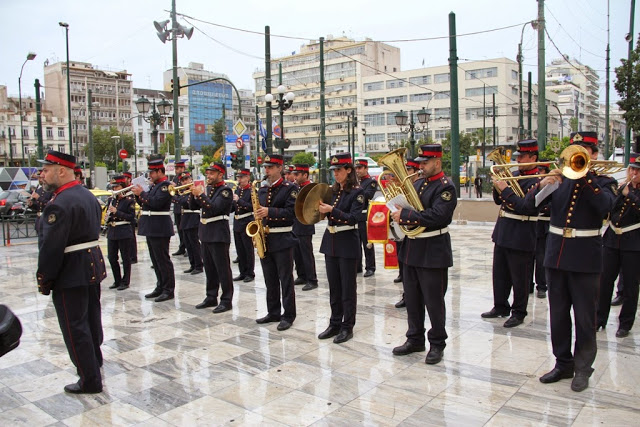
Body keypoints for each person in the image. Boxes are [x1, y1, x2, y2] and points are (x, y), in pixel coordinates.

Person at [533, 132, 616, 392]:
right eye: (576, 152)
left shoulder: (605, 181)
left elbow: (605, 206)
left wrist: (587, 176)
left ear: (594, 153)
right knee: (558, 315)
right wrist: (543, 185)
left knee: (584, 317)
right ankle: (563, 363)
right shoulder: (561, 180)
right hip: (556, 255)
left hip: (585, 258)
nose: (580, 157)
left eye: (586, 151)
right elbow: (531, 206)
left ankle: (583, 368)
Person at [36, 150, 106, 394]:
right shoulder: (86, 195)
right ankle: (95, 363)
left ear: (61, 170)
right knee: (91, 321)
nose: (42, 174)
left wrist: (44, 279)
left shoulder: (61, 202)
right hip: (90, 265)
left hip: (71, 270)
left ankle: (89, 379)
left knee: (74, 327)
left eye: (46, 170)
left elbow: (51, 248)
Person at [390, 144, 456, 364]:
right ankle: (415, 338)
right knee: (413, 298)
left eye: (425, 162)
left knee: (434, 301)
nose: (420, 166)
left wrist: (406, 216)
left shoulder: (446, 187)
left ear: (437, 162)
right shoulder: (417, 182)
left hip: (433, 249)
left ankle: (437, 343)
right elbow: (410, 208)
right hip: (412, 249)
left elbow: (438, 216)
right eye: (419, 162)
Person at [481, 139, 541, 328]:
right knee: (500, 274)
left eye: (522, 157)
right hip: (504, 230)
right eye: (518, 156)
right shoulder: (514, 175)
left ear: (533, 157)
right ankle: (500, 306)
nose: (519, 160)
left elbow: (525, 207)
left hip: (522, 233)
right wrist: (497, 186)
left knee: (520, 277)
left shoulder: (537, 181)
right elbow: (499, 202)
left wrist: (505, 189)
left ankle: (519, 311)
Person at [317, 153, 364, 344]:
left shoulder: (357, 193)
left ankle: (347, 325)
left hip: (347, 241)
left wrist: (331, 211)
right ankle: (334, 322)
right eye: (334, 171)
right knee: (334, 287)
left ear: (349, 170)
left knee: (348, 288)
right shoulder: (332, 191)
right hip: (331, 242)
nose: (336, 174)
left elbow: (353, 218)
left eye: (339, 170)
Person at [596, 155, 640, 337]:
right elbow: (610, 210)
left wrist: (629, 195)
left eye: (637, 171)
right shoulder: (622, 187)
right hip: (613, 239)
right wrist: (619, 193)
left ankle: (625, 324)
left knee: (630, 285)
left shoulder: (630, 192)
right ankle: (599, 319)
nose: (633, 173)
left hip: (634, 242)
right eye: (631, 169)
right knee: (604, 281)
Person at [254, 154, 298, 331]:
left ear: (280, 168)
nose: (267, 170)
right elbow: (257, 213)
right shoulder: (262, 190)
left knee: (285, 279)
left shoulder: (290, 188)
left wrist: (269, 211)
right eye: (266, 167)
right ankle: (273, 311)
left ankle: (288, 315)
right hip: (265, 239)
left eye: (270, 167)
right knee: (269, 279)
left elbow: (291, 213)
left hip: (283, 238)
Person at [190, 163, 234, 313]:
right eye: (208, 173)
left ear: (220, 175)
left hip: (218, 233)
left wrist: (200, 195)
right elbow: (193, 206)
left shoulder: (225, 191)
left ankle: (226, 299)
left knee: (223, 269)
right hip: (206, 232)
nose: (208, 176)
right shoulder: (208, 189)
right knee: (209, 268)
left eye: (212, 174)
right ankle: (211, 296)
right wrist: (194, 194)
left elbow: (214, 208)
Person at [131, 157, 176, 302]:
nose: (150, 175)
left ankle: (168, 289)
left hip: (160, 226)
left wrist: (142, 194)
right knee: (155, 260)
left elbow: (156, 203)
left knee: (163, 259)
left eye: (152, 172)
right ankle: (160, 286)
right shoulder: (154, 186)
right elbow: (146, 203)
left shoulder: (165, 186)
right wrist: (138, 195)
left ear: (159, 171)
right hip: (151, 225)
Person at [394, 158, 421, 308]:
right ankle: (406, 295)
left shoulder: (419, 187)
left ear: (416, 172)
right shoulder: (404, 186)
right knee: (404, 262)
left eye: (409, 170)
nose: (406, 173)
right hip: (404, 227)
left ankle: (413, 296)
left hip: (417, 229)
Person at [105, 175, 135, 291]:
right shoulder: (111, 200)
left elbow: (131, 218)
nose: (114, 189)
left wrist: (117, 212)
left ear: (122, 187)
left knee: (125, 257)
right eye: (113, 187)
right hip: (112, 231)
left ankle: (125, 281)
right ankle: (117, 280)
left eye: (117, 187)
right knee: (112, 257)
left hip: (123, 230)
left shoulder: (129, 200)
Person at [292, 164, 318, 291]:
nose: (294, 177)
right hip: (296, 224)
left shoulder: (311, 188)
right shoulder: (296, 187)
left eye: (297, 174)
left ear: (305, 175)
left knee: (306, 253)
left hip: (305, 223)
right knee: (297, 252)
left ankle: (312, 279)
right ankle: (301, 275)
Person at [176, 172, 203, 275]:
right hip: (185, 218)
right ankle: (192, 264)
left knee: (194, 243)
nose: (185, 181)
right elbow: (178, 200)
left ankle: (198, 265)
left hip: (193, 217)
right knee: (188, 243)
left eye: (187, 179)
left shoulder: (194, 190)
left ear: (191, 179)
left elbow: (185, 202)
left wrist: (179, 199)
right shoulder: (183, 191)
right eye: (183, 180)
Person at [355, 158, 378, 277]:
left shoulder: (371, 182)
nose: (357, 170)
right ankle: (357, 266)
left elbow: (367, 195)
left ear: (366, 168)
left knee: (367, 243)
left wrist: (356, 191)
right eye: (356, 168)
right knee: (355, 243)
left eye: (360, 168)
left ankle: (370, 267)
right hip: (355, 216)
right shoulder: (356, 182)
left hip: (365, 216)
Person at [231, 168, 255, 283]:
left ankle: (250, 273)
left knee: (248, 249)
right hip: (237, 222)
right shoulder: (237, 190)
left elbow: (252, 207)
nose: (239, 179)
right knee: (239, 249)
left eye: (241, 177)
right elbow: (233, 209)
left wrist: (239, 200)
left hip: (247, 220)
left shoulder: (251, 191)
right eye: (238, 177)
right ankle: (242, 272)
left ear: (247, 178)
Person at [532, 162, 551, 299]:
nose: (540, 173)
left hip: (545, 224)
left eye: (542, 170)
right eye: (538, 170)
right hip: (532, 223)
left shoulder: (551, 185)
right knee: (529, 256)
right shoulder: (534, 183)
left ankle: (542, 286)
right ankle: (528, 285)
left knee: (541, 257)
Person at [28, 169, 53, 237]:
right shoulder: (39, 190)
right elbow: (38, 206)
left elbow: (51, 204)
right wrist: (31, 204)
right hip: (39, 219)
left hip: (47, 218)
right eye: (38, 178)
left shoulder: (51, 190)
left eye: (41, 178)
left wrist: (39, 198)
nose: (40, 180)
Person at [171, 160, 187, 256]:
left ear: (183, 168)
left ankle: (187, 247)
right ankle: (182, 247)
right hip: (177, 207)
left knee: (185, 229)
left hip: (183, 206)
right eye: (176, 168)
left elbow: (184, 189)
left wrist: (175, 186)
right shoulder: (175, 178)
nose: (177, 170)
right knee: (179, 228)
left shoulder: (185, 177)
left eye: (178, 168)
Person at [123, 171, 138, 264]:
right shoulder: (124, 190)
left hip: (130, 216)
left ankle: (133, 256)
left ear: (129, 179)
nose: (124, 180)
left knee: (131, 238)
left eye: (125, 178)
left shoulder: (131, 189)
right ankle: (128, 256)